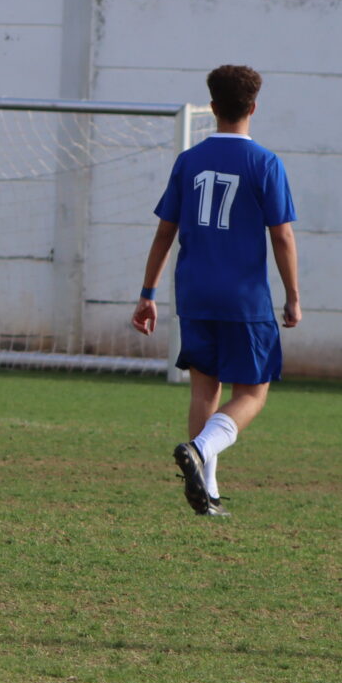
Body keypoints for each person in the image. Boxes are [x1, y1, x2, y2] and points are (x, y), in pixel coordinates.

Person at [133, 64, 300, 518]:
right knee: (253, 393)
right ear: (253, 107)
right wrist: (293, 295)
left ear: (212, 108)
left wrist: (147, 293)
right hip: (243, 298)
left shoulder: (188, 161)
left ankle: (207, 492)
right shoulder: (265, 163)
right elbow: (282, 236)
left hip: (195, 294)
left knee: (204, 391)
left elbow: (164, 232)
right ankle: (200, 450)